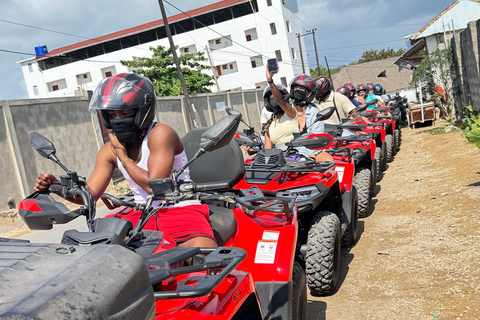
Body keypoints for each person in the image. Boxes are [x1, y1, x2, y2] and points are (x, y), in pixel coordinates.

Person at [34, 73, 217, 248]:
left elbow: (154, 187)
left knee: (208, 263)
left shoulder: (160, 134)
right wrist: (55, 186)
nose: (118, 119)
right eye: (112, 114)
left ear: (143, 110)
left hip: (181, 210)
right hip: (140, 216)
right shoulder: (108, 151)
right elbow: (89, 195)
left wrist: (122, 156)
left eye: (125, 112)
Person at [264, 66, 333, 161]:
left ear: (309, 92)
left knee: (328, 161)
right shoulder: (284, 111)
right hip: (286, 155)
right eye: (295, 87)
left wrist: (311, 158)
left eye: (301, 88)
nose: (297, 90)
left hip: (310, 153)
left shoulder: (313, 113)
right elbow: (279, 101)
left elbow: (317, 140)